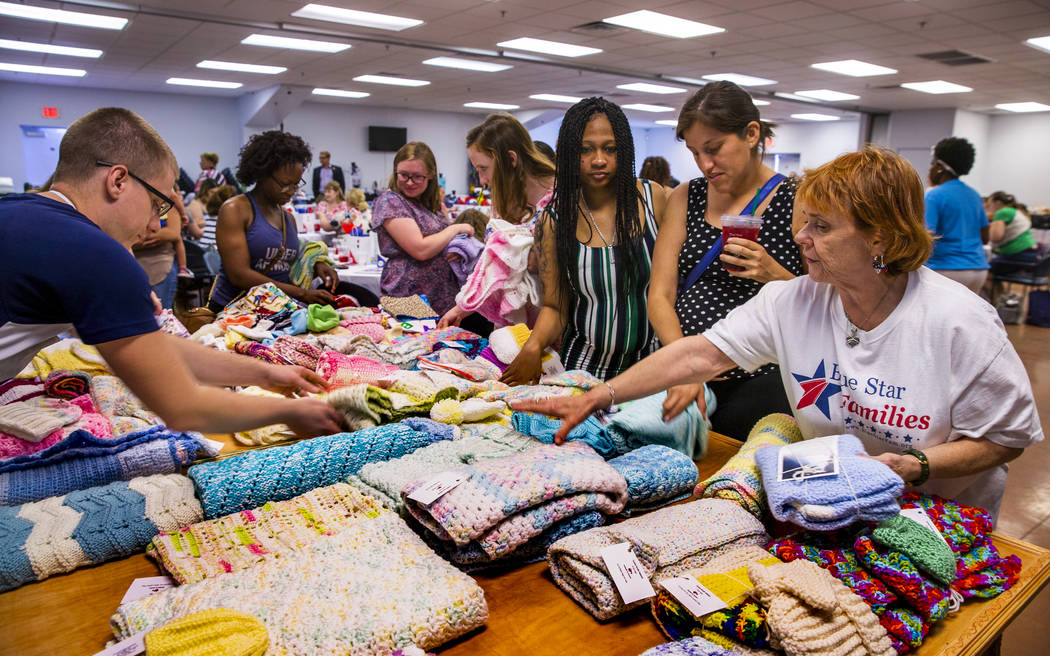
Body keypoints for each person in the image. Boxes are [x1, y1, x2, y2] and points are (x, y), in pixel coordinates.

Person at [514, 146, 1042, 521]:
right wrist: (598, 396)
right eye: (801, 220)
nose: (799, 238)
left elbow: (1005, 440)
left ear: (880, 235)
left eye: (821, 226)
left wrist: (916, 465)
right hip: (835, 508)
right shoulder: (796, 299)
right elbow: (699, 355)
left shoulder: (959, 321)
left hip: (939, 518)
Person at [0, 107, 343, 436]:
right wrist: (291, 411)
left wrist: (267, 375)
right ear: (118, 180)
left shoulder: (19, 210)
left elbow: (158, 350)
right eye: (158, 204)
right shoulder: (93, 252)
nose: (155, 224)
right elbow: (183, 407)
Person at [648, 81, 804, 439]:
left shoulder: (796, 200)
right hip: (683, 374)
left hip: (762, 379)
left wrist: (772, 273)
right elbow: (660, 294)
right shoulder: (687, 196)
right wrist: (685, 366)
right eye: (694, 152)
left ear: (751, 134)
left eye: (714, 148)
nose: (705, 164)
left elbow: (823, 301)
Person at [502, 97, 667, 384]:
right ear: (567, 154)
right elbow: (556, 306)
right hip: (587, 374)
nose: (599, 159)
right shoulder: (554, 222)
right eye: (585, 150)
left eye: (610, 149)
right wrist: (533, 346)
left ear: (624, 150)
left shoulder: (654, 200)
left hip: (654, 371)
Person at [438, 112, 556, 329]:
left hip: (552, 327)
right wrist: (461, 308)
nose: (482, 180)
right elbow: (491, 263)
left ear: (511, 160)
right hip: (516, 330)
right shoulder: (506, 202)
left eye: (484, 169)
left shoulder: (562, 201)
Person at [210, 131, 342, 311]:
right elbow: (240, 275)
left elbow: (292, 260)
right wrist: (301, 294)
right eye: (285, 184)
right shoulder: (235, 210)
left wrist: (317, 264)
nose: (291, 191)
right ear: (262, 174)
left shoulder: (288, 218)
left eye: (296, 184)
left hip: (276, 312)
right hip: (236, 312)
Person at [370, 142, 473, 315]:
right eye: (403, 175)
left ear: (431, 175)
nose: (410, 182)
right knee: (410, 342)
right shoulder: (391, 201)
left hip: (442, 296)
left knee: (444, 342)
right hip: (407, 296)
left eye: (417, 176)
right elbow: (420, 249)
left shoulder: (433, 206)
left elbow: (440, 243)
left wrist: (454, 251)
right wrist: (455, 229)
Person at [924, 137, 988, 293]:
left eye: (933, 163)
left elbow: (926, 236)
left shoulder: (935, 195)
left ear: (939, 166)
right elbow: (985, 236)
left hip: (946, 270)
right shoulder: (974, 194)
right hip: (978, 270)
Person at [985, 191, 1040, 277]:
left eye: (989, 203)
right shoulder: (1016, 211)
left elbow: (995, 237)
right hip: (1031, 254)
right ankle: (998, 290)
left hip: (1017, 254)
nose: (987, 206)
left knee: (984, 271)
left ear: (998, 202)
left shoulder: (1002, 212)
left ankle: (996, 291)